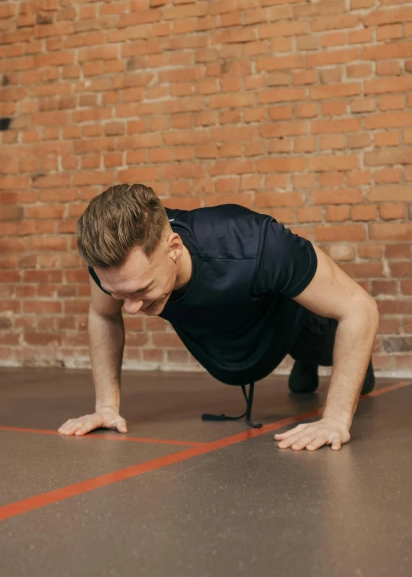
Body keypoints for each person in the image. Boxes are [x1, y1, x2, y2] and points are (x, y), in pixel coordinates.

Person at [58, 184, 379, 452]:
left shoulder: (258, 244)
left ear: (173, 248)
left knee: (335, 353)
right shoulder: (110, 266)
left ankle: (315, 356)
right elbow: (104, 315)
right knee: (232, 368)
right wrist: (106, 407)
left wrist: (336, 418)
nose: (130, 308)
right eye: (118, 293)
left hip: (290, 321)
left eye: (141, 290)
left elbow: (358, 307)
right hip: (223, 339)